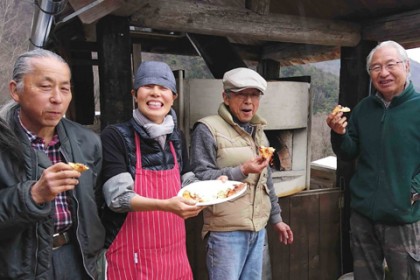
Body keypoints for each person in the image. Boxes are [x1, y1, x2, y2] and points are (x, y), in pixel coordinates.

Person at [0, 49, 105, 279]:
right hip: (17, 264)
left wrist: (96, 245)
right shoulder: (4, 143)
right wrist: (33, 195)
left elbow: (98, 204)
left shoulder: (88, 142)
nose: (57, 98)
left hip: (75, 259)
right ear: (15, 91)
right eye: (45, 87)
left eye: (65, 88)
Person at [99, 61, 205, 279]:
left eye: (163, 88)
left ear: (173, 97)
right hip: (133, 255)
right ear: (135, 94)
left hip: (174, 252)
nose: (155, 93)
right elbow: (117, 198)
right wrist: (166, 206)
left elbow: (188, 180)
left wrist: (209, 189)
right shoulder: (115, 136)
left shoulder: (177, 136)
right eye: (148, 86)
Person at [326, 40, 420, 279]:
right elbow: (348, 152)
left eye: (390, 65)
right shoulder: (363, 109)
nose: (383, 73)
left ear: (406, 66)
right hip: (363, 216)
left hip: (403, 217)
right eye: (376, 68)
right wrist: (338, 134)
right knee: (364, 275)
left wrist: (412, 191)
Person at [189, 67, 294, 280]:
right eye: (241, 94)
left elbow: (267, 180)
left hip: (258, 230)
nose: (248, 101)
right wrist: (242, 170)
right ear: (226, 97)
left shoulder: (259, 133)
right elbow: (198, 177)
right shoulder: (207, 129)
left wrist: (276, 218)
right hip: (225, 233)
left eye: (254, 95)